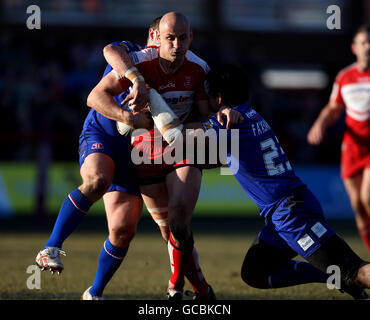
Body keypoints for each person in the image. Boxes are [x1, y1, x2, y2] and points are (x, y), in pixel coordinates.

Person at [86, 12, 241, 300]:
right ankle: (204, 290)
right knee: (168, 231)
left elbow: (205, 114)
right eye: (170, 38)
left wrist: (217, 117)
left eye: (183, 38)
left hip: (182, 148)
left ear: (191, 37)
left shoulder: (199, 68)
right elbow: (95, 97)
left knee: (180, 222)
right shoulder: (139, 63)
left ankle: (174, 288)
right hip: (146, 155)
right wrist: (129, 116)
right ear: (157, 37)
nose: (177, 44)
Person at [201, 64, 370, 299]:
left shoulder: (226, 124)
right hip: (286, 213)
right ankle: (335, 278)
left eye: (205, 96)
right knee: (255, 273)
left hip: (294, 215)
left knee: (356, 271)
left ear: (217, 98)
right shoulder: (251, 115)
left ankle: (345, 277)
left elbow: (177, 142)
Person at [34, 18, 171, 299]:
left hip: (139, 153)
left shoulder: (179, 74)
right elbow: (108, 53)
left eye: (177, 38)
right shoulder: (130, 54)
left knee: (122, 231)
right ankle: (51, 246)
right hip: (104, 134)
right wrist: (132, 99)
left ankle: (94, 293)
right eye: (165, 36)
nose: (171, 43)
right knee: (97, 180)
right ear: (152, 35)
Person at [307, 25, 370, 254]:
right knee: (359, 207)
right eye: (363, 43)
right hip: (352, 148)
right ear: (355, 48)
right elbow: (333, 108)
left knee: (367, 196)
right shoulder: (345, 77)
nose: (367, 47)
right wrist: (319, 123)